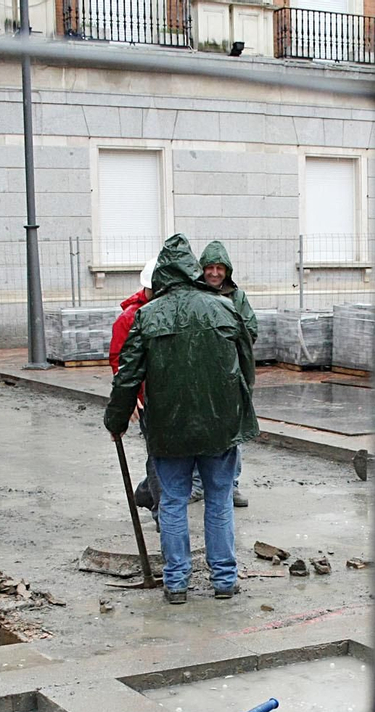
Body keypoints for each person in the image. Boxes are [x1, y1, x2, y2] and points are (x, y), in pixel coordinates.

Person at [104, 234, 257, 604]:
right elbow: (245, 369)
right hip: (219, 425)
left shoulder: (145, 315)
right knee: (219, 500)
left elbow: (127, 374)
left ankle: (176, 583)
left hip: (168, 427)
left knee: (172, 502)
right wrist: (237, 409)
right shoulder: (223, 308)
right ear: (193, 271)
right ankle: (224, 579)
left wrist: (116, 419)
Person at [197, 240, 256, 508]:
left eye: (219, 267)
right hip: (200, 375)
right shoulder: (195, 294)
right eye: (209, 267)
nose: (214, 273)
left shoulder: (237, 297)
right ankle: (199, 485)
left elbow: (249, 330)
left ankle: (230, 485)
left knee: (232, 431)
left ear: (227, 270)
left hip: (230, 375)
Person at [111, 257, 158, 515]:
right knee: (159, 455)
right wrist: (131, 398)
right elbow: (120, 361)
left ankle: (146, 492)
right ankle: (159, 508)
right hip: (148, 399)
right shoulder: (130, 318)